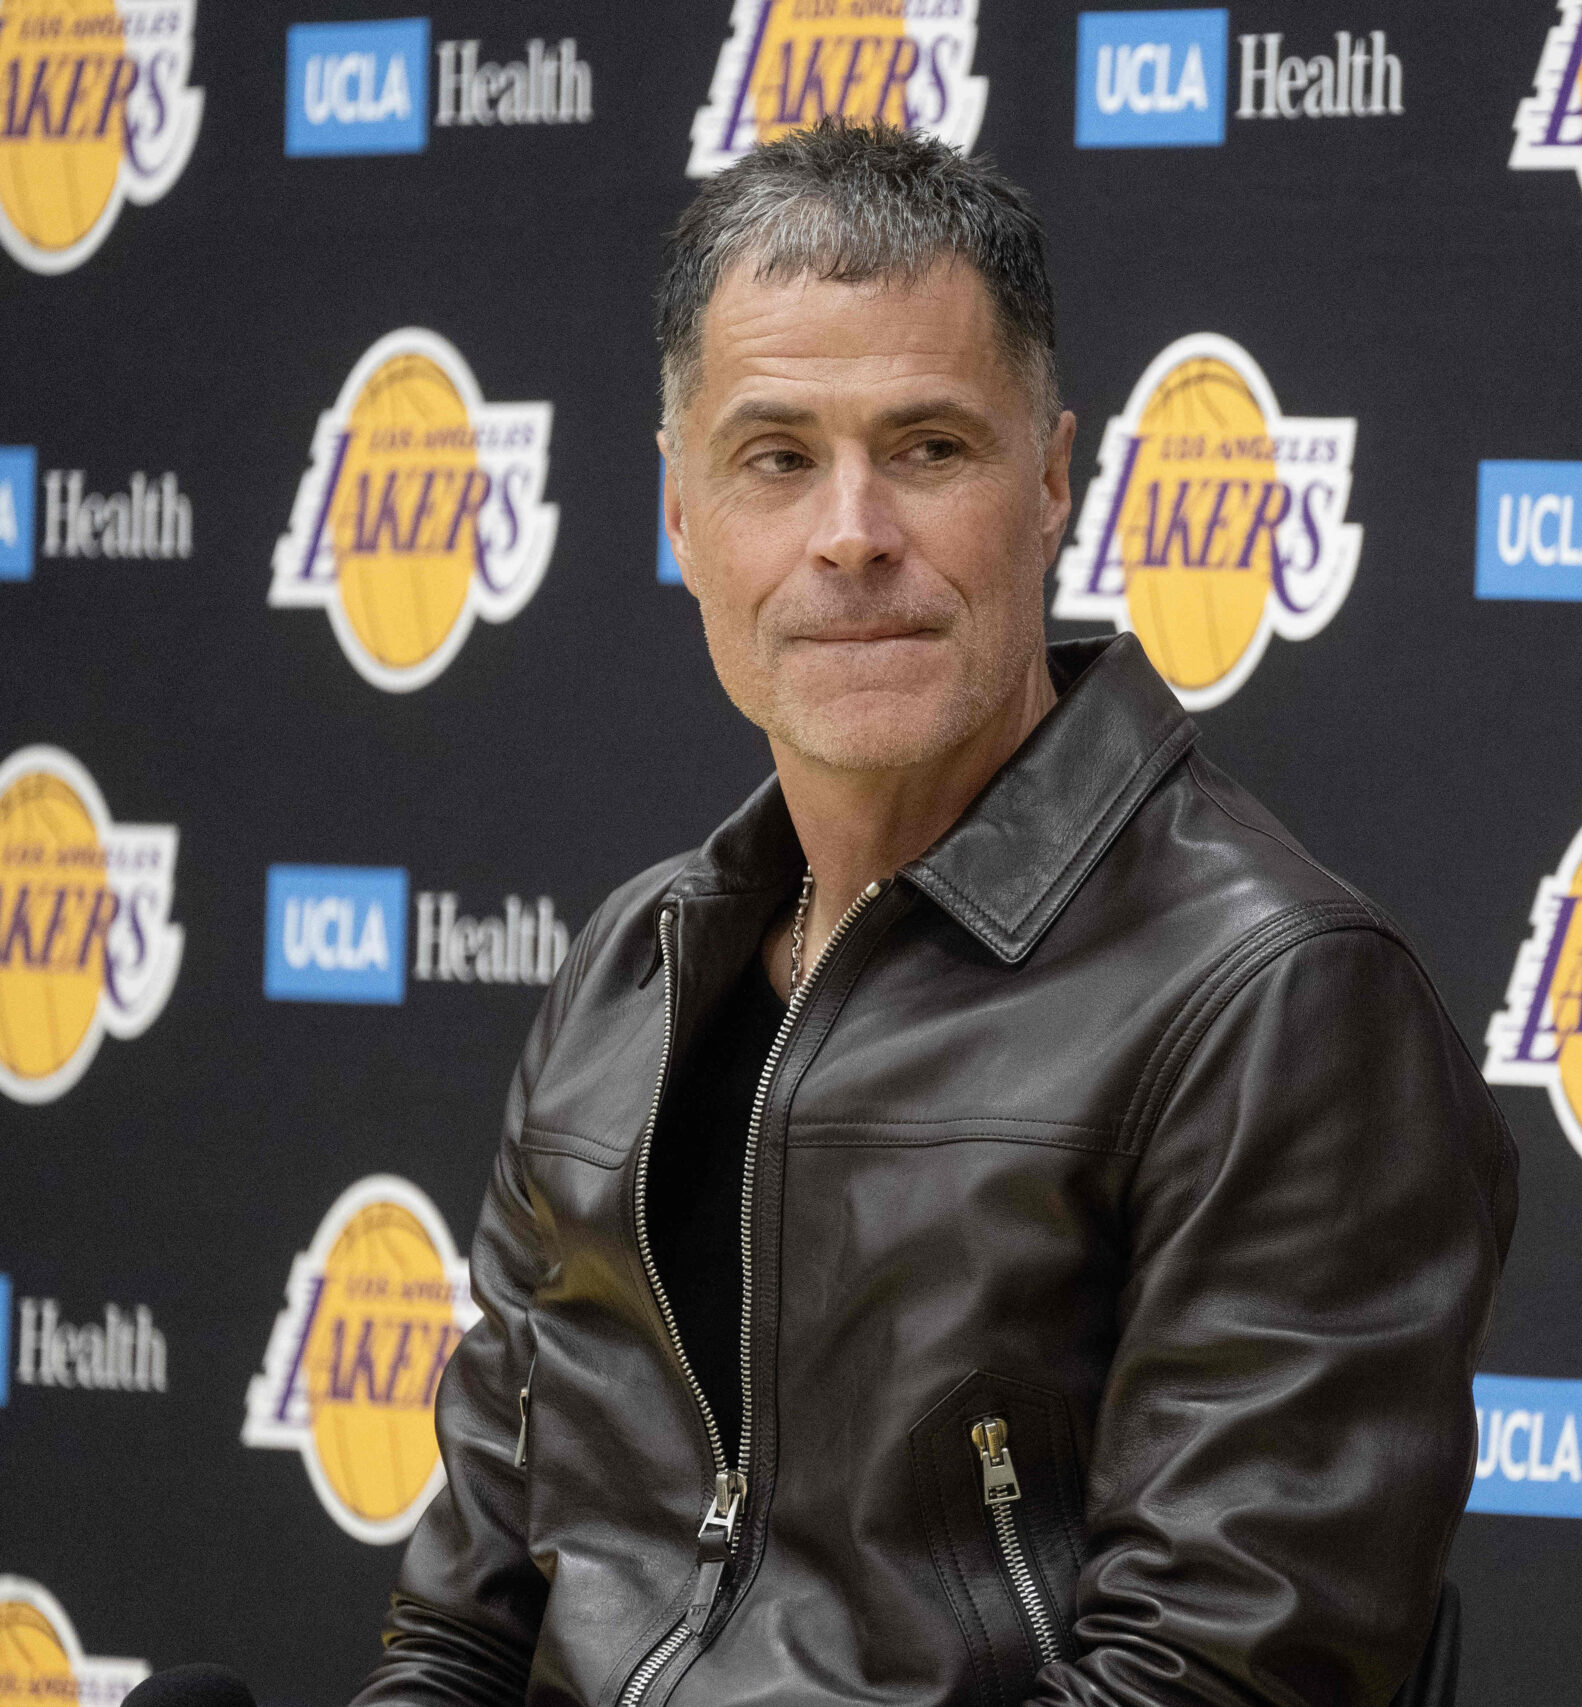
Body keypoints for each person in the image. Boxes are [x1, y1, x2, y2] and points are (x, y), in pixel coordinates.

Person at [353, 120, 1515, 1707]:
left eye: (928, 448)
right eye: (777, 458)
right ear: (680, 515)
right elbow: (460, 1635)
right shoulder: (634, 966)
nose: (851, 534)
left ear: (1051, 483)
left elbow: (1210, 1685)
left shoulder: (1278, 998)